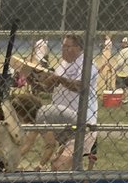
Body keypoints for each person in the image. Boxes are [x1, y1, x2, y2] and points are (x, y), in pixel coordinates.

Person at [14, 33, 98, 170]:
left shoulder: (87, 64)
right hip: (63, 123)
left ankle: (86, 170)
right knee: (63, 167)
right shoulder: (63, 64)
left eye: (67, 47)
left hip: (82, 122)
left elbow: (80, 86)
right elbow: (48, 87)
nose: (63, 50)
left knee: (60, 166)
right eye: (63, 46)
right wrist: (30, 78)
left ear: (78, 48)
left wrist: (59, 79)